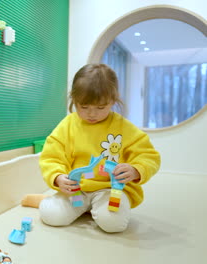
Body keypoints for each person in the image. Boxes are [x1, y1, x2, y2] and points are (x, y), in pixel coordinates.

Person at [22, 63, 161, 233]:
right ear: (74, 100)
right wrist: (58, 177)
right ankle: (47, 201)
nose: (91, 114)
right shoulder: (68, 125)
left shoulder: (123, 127)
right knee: (51, 215)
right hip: (76, 189)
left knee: (113, 224)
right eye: (84, 107)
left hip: (109, 189)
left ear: (113, 101)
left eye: (100, 107)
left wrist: (136, 170)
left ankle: (92, 209)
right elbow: (51, 156)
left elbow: (149, 156)